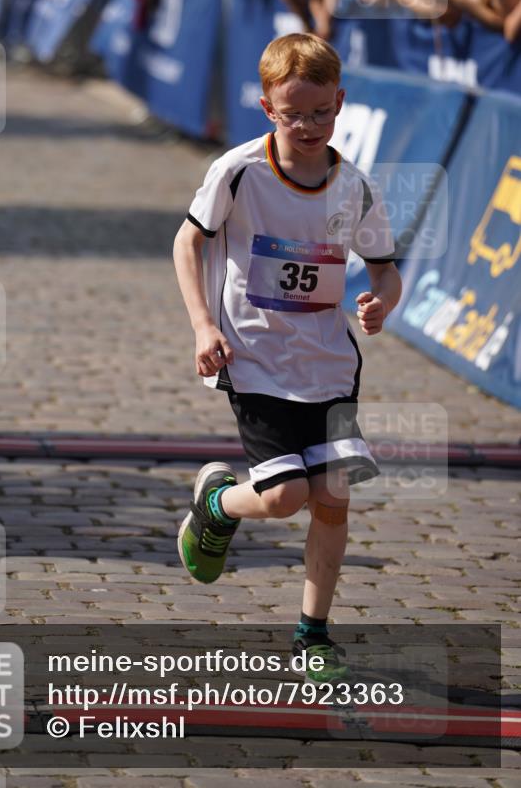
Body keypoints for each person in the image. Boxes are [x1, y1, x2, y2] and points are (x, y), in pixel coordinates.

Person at [173, 33, 401, 683]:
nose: (307, 125)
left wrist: (381, 303)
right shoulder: (239, 171)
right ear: (267, 108)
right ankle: (217, 505)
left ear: (340, 102)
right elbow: (187, 244)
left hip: (327, 364)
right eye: (292, 113)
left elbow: (385, 270)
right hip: (253, 357)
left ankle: (313, 633)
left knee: (331, 495)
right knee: (282, 497)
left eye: (320, 112)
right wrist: (202, 327)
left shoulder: (354, 188)